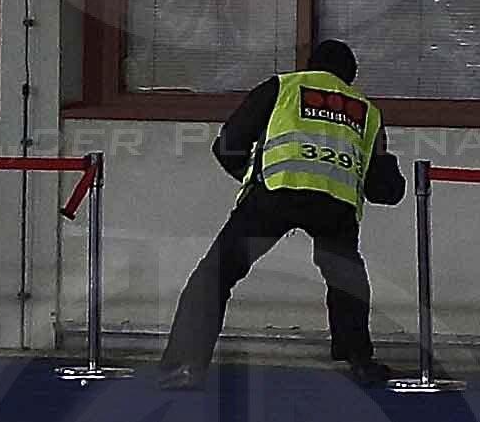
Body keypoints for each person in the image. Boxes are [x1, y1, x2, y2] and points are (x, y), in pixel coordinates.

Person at [152, 36, 405, 390]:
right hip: (335, 204)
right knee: (345, 276)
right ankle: (359, 360)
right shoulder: (367, 111)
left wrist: (253, 176)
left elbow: (228, 145)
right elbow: (385, 189)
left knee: (216, 275)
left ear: (310, 66)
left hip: (275, 193)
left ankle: (184, 367)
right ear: (350, 76)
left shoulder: (282, 86)